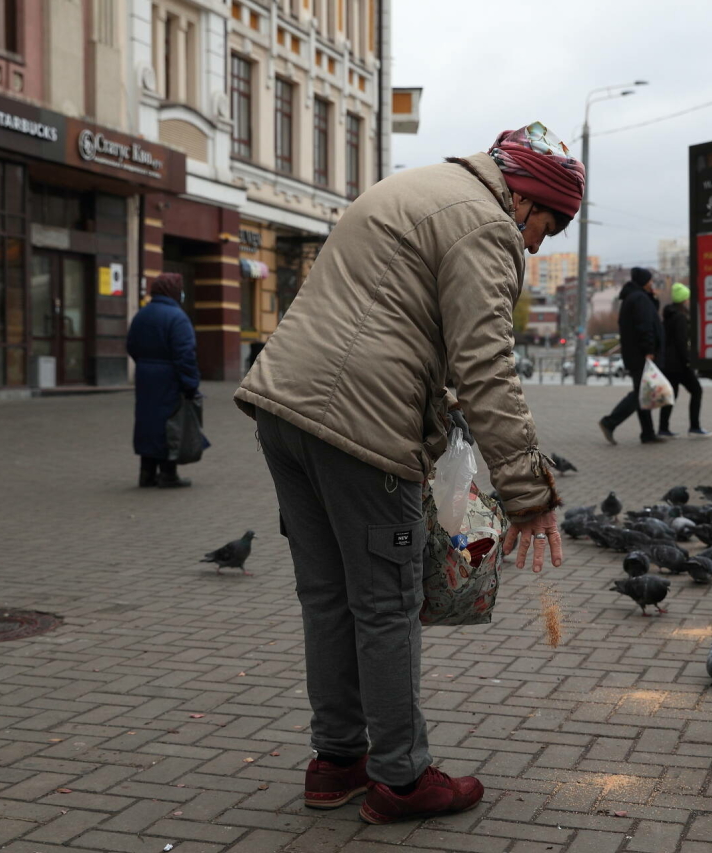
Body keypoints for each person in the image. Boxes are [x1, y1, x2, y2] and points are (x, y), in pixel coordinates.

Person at [234, 121, 578, 824]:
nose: (537, 243)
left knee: (327, 595)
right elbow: (487, 366)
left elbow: (402, 323)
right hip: (362, 426)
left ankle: (336, 761)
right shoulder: (485, 225)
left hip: (284, 411)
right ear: (524, 197)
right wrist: (528, 492)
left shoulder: (414, 187)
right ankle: (402, 776)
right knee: (387, 603)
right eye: (546, 224)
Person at [126, 273, 207, 488]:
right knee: (170, 423)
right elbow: (185, 355)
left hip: (145, 377)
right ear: (173, 291)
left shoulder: (141, 315)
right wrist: (191, 385)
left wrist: (146, 366)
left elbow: (131, 345)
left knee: (147, 423)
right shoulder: (177, 317)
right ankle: (168, 474)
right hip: (169, 378)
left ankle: (146, 473)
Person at [597, 267, 666, 445]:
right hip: (641, 355)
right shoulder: (639, 299)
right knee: (639, 394)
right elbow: (645, 327)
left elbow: (649, 316)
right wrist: (649, 351)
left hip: (635, 354)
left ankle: (648, 433)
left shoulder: (636, 297)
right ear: (644, 281)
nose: (652, 283)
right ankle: (609, 422)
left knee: (643, 392)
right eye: (649, 281)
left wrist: (653, 296)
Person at [659, 283, 711, 437]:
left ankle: (663, 428)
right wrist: (688, 360)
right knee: (697, 390)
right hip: (679, 364)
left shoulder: (668, 316)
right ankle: (694, 427)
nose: (688, 301)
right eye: (687, 299)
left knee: (671, 395)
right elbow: (681, 342)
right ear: (683, 300)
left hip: (668, 363)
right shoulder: (681, 318)